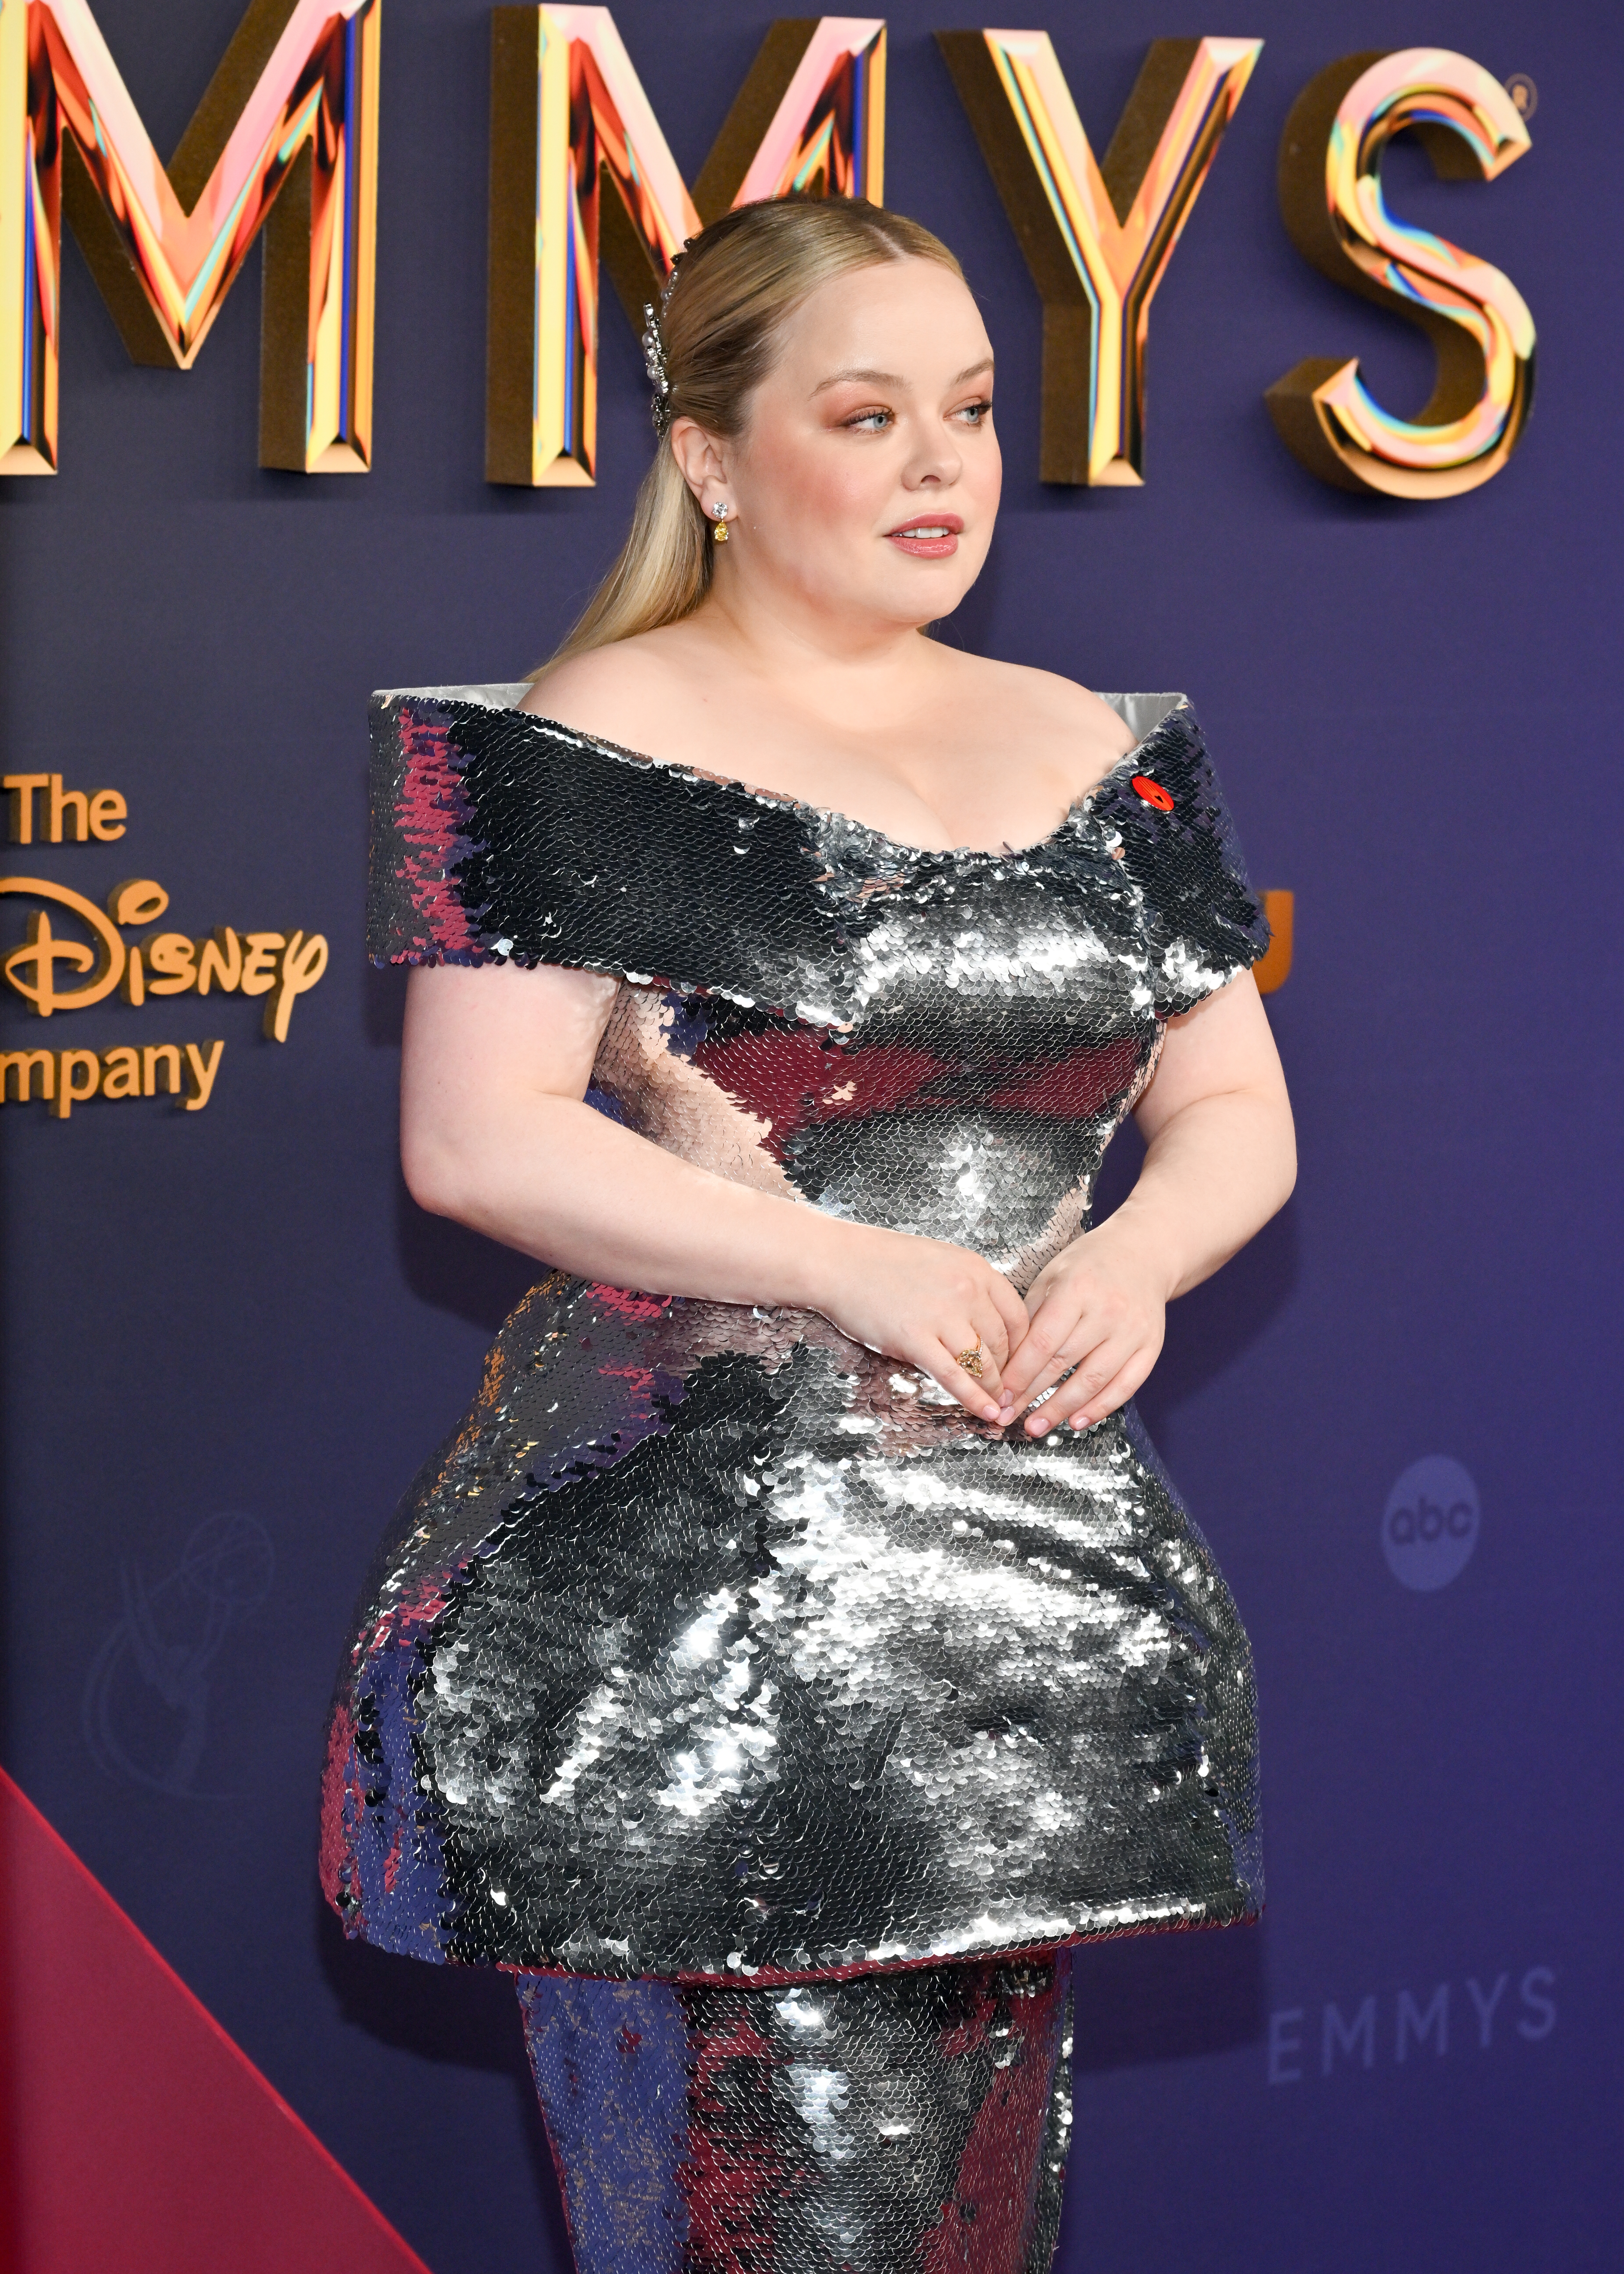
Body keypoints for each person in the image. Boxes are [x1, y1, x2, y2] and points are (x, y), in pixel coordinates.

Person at [323, 195, 1295, 2273]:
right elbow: (475, 1141)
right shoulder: (579, 738)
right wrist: (845, 1265)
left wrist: (1123, 1262)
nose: (942, 464)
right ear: (710, 458)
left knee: (961, 2215)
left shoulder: (1101, 749)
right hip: (691, 1637)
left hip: (1018, 1622)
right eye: (868, 415)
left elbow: (1229, 1113)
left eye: (966, 409)